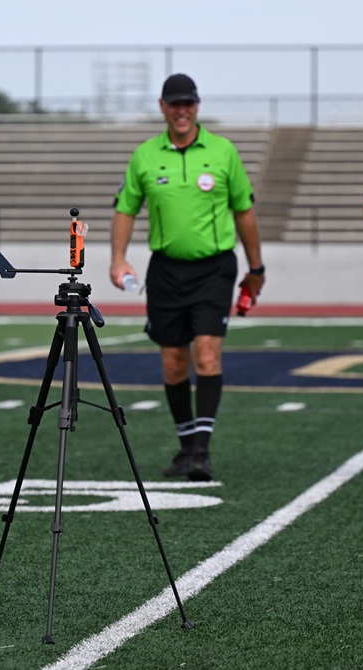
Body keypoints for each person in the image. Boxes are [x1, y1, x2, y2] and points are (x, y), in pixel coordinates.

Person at [109, 73, 265, 482]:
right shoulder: (144, 155)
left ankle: (201, 451)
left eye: (189, 103)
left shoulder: (223, 151)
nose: (182, 110)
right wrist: (118, 259)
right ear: (162, 107)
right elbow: (126, 209)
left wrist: (256, 268)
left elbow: (244, 212)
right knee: (174, 363)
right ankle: (185, 448)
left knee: (207, 354)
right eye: (174, 103)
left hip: (215, 268)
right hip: (165, 270)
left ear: (197, 106)